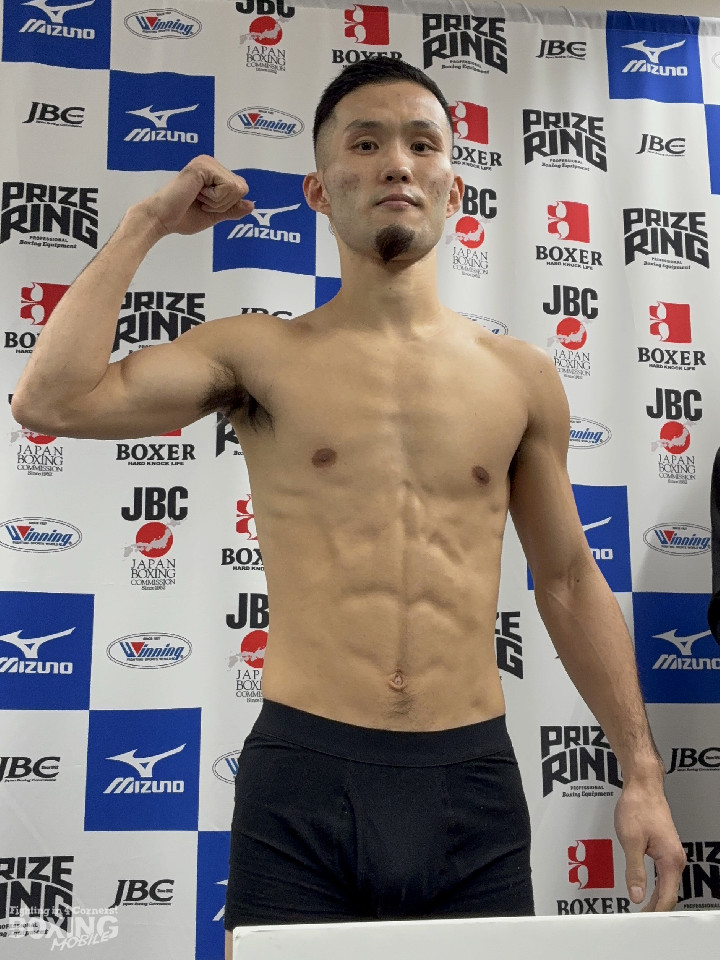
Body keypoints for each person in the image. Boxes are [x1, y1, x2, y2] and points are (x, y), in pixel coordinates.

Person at [12, 59, 685, 953]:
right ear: (320, 191)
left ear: (453, 186)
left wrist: (642, 773)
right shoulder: (256, 355)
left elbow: (565, 579)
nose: (396, 163)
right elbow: (51, 401)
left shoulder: (520, 377)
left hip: (470, 783)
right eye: (364, 145)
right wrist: (148, 224)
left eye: (422, 144)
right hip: (304, 778)